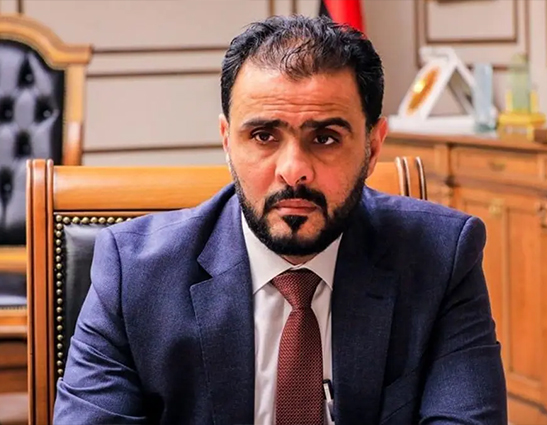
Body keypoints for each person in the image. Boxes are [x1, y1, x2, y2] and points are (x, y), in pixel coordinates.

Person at [53, 14, 507, 425]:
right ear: (227, 142)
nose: (293, 170)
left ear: (372, 148)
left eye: (325, 138)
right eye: (264, 135)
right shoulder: (134, 272)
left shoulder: (441, 257)